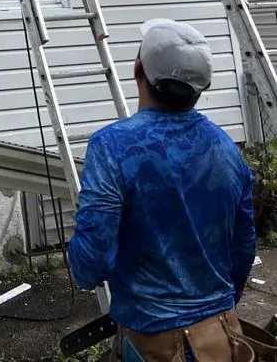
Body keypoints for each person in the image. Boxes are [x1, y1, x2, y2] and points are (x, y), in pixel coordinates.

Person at [67, 18, 256, 362]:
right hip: (223, 339)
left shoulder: (112, 147)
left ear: (137, 69)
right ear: (206, 84)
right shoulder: (227, 149)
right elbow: (242, 251)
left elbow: (90, 263)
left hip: (151, 345)